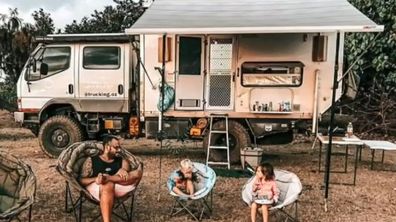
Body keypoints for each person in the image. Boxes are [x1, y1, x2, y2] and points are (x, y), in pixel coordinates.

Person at [80, 135, 143, 222]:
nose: (119, 150)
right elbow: (81, 180)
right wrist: (95, 180)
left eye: (119, 147)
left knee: (138, 173)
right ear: (107, 147)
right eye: (116, 147)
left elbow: (130, 174)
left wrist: (122, 170)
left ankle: (109, 178)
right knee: (108, 185)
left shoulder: (121, 160)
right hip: (98, 187)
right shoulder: (92, 160)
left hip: (118, 186)